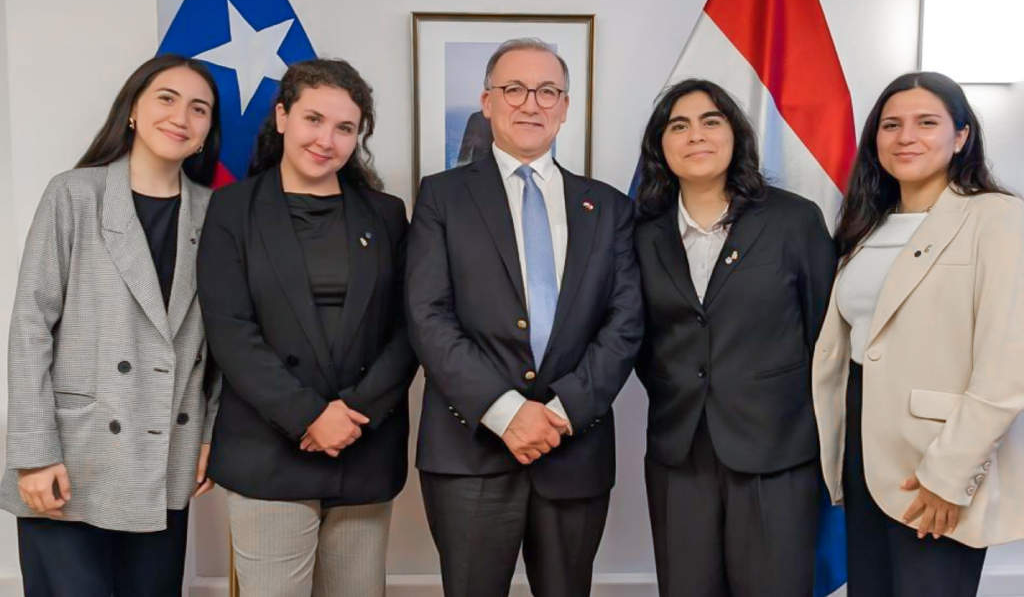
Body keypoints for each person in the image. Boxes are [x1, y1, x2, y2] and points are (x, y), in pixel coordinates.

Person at [407, 37, 643, 597]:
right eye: (513, 89)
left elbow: (625, 320)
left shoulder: (608, 207)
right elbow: (427, 314)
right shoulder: (442, 197)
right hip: (471, 451)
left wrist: (561, 412)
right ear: (487, 102)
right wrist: (508, 412)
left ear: (564, 107)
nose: (530, 103)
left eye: (546, 91)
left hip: (574, 446)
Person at [0, 54, 222, 596]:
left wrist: (210, 436)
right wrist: (34, 455)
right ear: (132, 111)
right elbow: (30, 326)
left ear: (206, 134)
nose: (181, 117)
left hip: (165, 451)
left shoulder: (217, 213)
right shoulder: (75, 193)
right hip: (72, 455)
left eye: (200, 109)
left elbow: (224, 341)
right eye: (166, 99)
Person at [197, 58, 416, 596]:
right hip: (268, 452)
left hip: (363, 447)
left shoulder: (386, 214)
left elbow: (411, 328)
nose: (327, 139)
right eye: (313, 119)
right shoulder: (231, 208)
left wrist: (351, 415)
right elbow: (230, 331)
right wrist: (310, 416)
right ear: (282, 117)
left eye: (345, 128)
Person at [812, 71, 1024, 597]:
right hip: (862, 452)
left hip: (936, 462)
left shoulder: (997, 219)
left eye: (926, 122)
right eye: (890, 125)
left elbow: (1007, 366)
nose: (905, 136)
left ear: (961, 136)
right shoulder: (867, 226)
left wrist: (949, 475)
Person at [633, 79, 835, 597]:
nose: (695, 136)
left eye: (710, 121)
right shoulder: (641, 231)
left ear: (736, 135)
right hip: (679, 452)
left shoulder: (793, 220)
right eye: (679, 125)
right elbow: (637, 338)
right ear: (661, 145)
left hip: (777, 451)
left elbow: (826, 338)